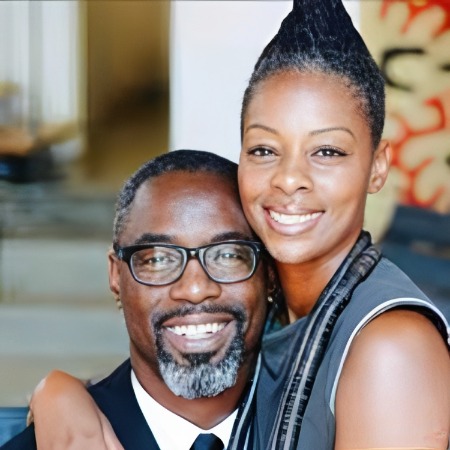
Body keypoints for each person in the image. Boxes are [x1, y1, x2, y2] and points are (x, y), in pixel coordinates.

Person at [20, 0, 450, 449]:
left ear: (378, 167)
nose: (289, 179)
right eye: (265, 150)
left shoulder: (392, 350)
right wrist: (61, 393)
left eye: (327, 151)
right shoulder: (279, 312)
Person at [0, 150, 274, 450]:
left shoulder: (310, 427)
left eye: (228, 255)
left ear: (270, 274)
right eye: (158, 259)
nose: (195, 289)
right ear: (116, 276)